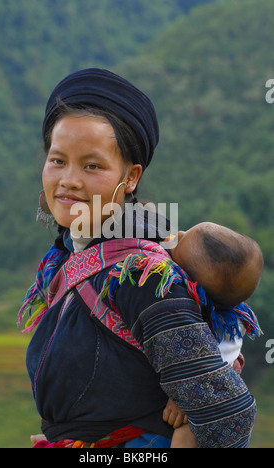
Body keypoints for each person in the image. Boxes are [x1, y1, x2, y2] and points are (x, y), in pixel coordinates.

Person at [18, 68, 260, 448]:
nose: (68, 179)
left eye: (92, 165)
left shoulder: (143, 278)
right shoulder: (66, 260)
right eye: (57, 160)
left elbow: (228, 415)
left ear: (130, 178)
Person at [161, 222, 263, 448]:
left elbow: (211, 370)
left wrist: (185, 396)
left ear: (193, 286)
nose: (177, 234)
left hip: (208, 393)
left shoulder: (226, 327)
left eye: (183, 238)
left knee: (188, 429)